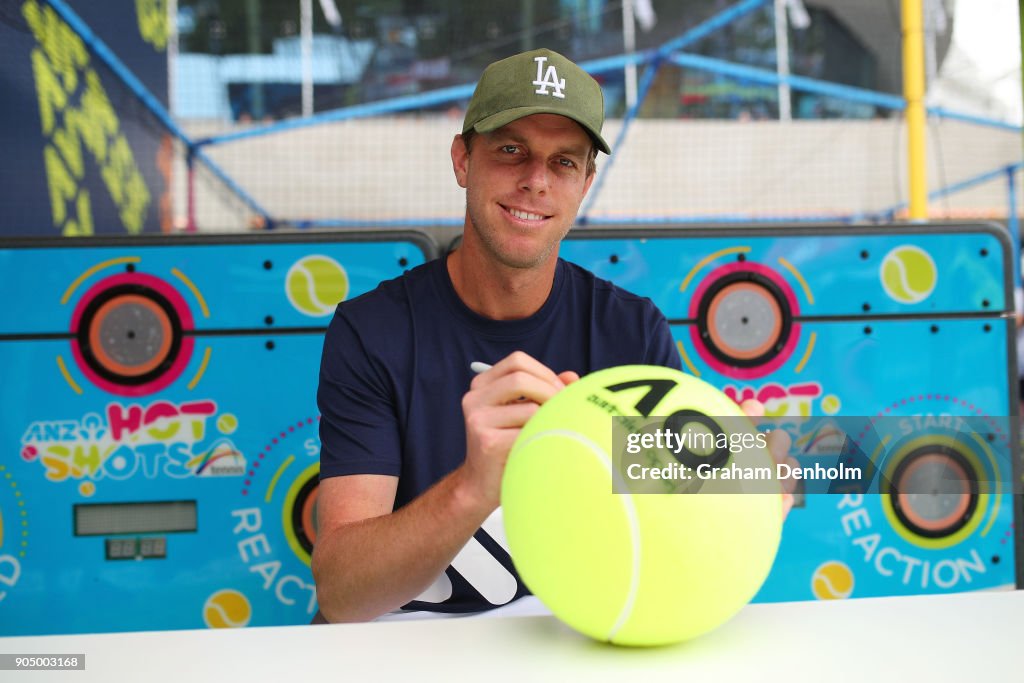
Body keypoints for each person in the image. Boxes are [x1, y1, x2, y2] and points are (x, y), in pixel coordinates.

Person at [313, 48, 790, 623]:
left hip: (563, 642)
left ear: (586, 183)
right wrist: (473, 487)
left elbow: (673, 535)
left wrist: (746, 500)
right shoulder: (374, 331)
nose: (536, 181)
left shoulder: (630, 331)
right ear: (463, 160)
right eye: (511, 150)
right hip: (402, 644)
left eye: (564, 162)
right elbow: (341, 594)